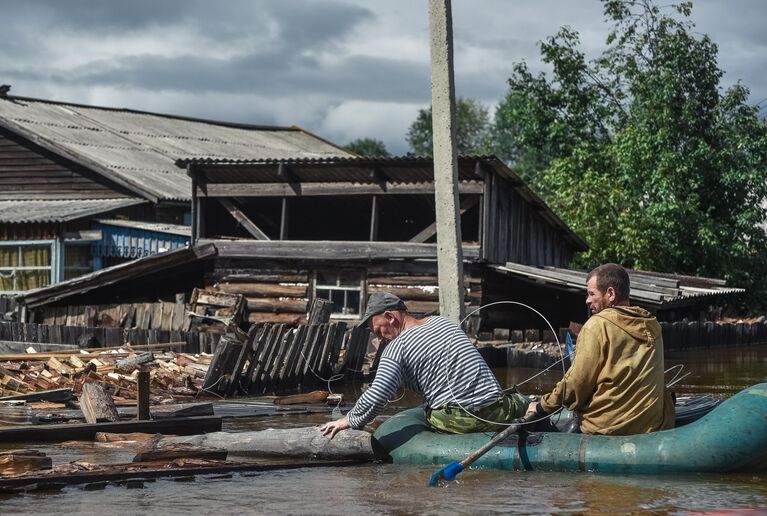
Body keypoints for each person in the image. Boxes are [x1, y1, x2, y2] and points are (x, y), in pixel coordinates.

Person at [320, 293, 528, 438]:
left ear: (390, 317)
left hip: (459, 421)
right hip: (499, 412)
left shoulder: (395, 349)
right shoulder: (442, 322)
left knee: (430, 411)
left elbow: (377, 395)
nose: (378, 338)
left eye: (377, 330)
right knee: (522, 400)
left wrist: (348, 420)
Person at [527, 263, 675, 435]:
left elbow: (576, 384)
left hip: (610, 427)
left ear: (610, 294)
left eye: (591, 294)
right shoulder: (651, 324)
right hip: (654, 425)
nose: (587, 300)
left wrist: (540, 407)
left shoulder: (597, 325)